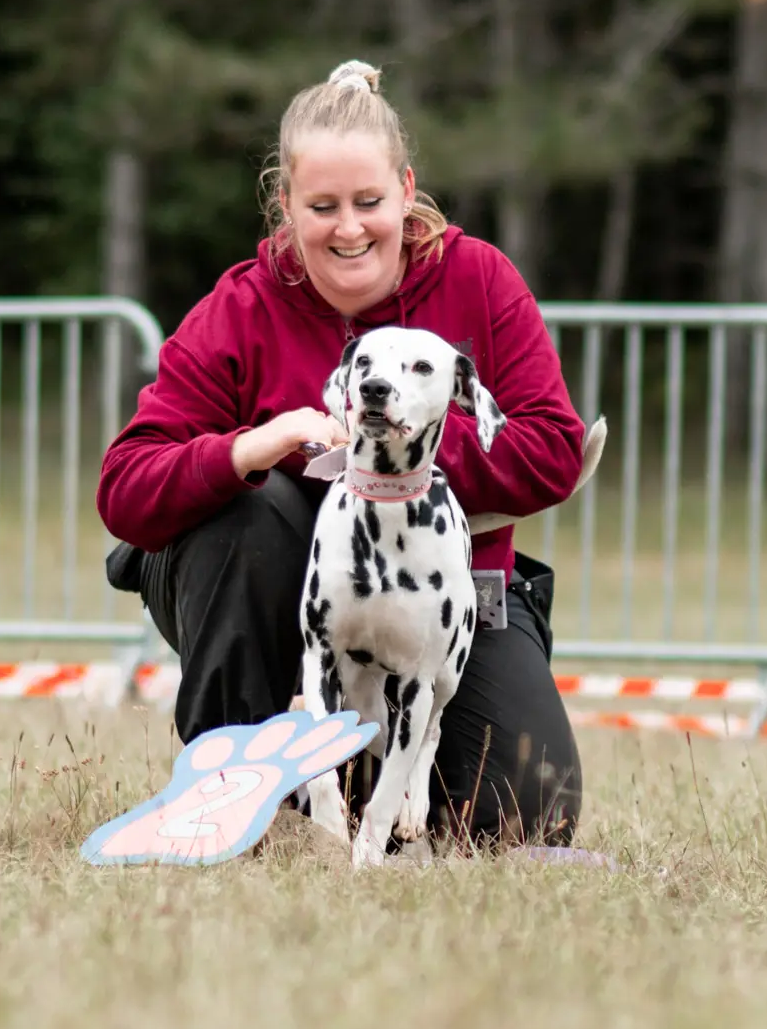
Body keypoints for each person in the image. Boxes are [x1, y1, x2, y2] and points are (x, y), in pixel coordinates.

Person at [97, 59, 588, 849]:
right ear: (284, 205)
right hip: (283, 590)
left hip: (449, 599)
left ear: (406, 189)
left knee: (528, 814)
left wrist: (405, 441)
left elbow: (555, 447)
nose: (350, 227)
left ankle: (368, 779)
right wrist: (253, 448)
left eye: (369, 202)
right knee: (247, 520)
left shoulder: (479, 279)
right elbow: (124, 489)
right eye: (322, 206)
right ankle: (235, 789)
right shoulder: (241, 308)